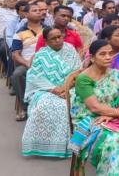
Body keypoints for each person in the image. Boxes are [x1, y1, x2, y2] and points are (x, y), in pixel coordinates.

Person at [69, 40, 119, 175]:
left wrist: (112, 115)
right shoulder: (83, 79)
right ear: (93, 58)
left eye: (110, 53)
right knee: (115, 141)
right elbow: (95, 107)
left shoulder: (116, 74)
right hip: (89, 119)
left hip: (111, 116)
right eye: (102, 54)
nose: (108, 57)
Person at [21, 27, 82, 157]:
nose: (58, 40)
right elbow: (34, 77)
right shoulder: (41, 55)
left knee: (75, 104)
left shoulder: (70, 50)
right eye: (53, 39)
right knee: (46, 105)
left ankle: (73, 144)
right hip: (47, 90)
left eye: (60, 37)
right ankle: (46, 145)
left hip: (71, 88)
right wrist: (54, 89)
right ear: (46, 41)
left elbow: (78, 72)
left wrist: (66, 88)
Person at [10, 2, 44, 121]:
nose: (39, 12)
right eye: (35, 11)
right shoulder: (19, 33)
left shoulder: (48, 30)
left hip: (46, 62)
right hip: (27, 63)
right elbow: (15, 54)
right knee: (17, 74)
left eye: (40, 10)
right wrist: (26, 63)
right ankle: (25, 107)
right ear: (26, 14)